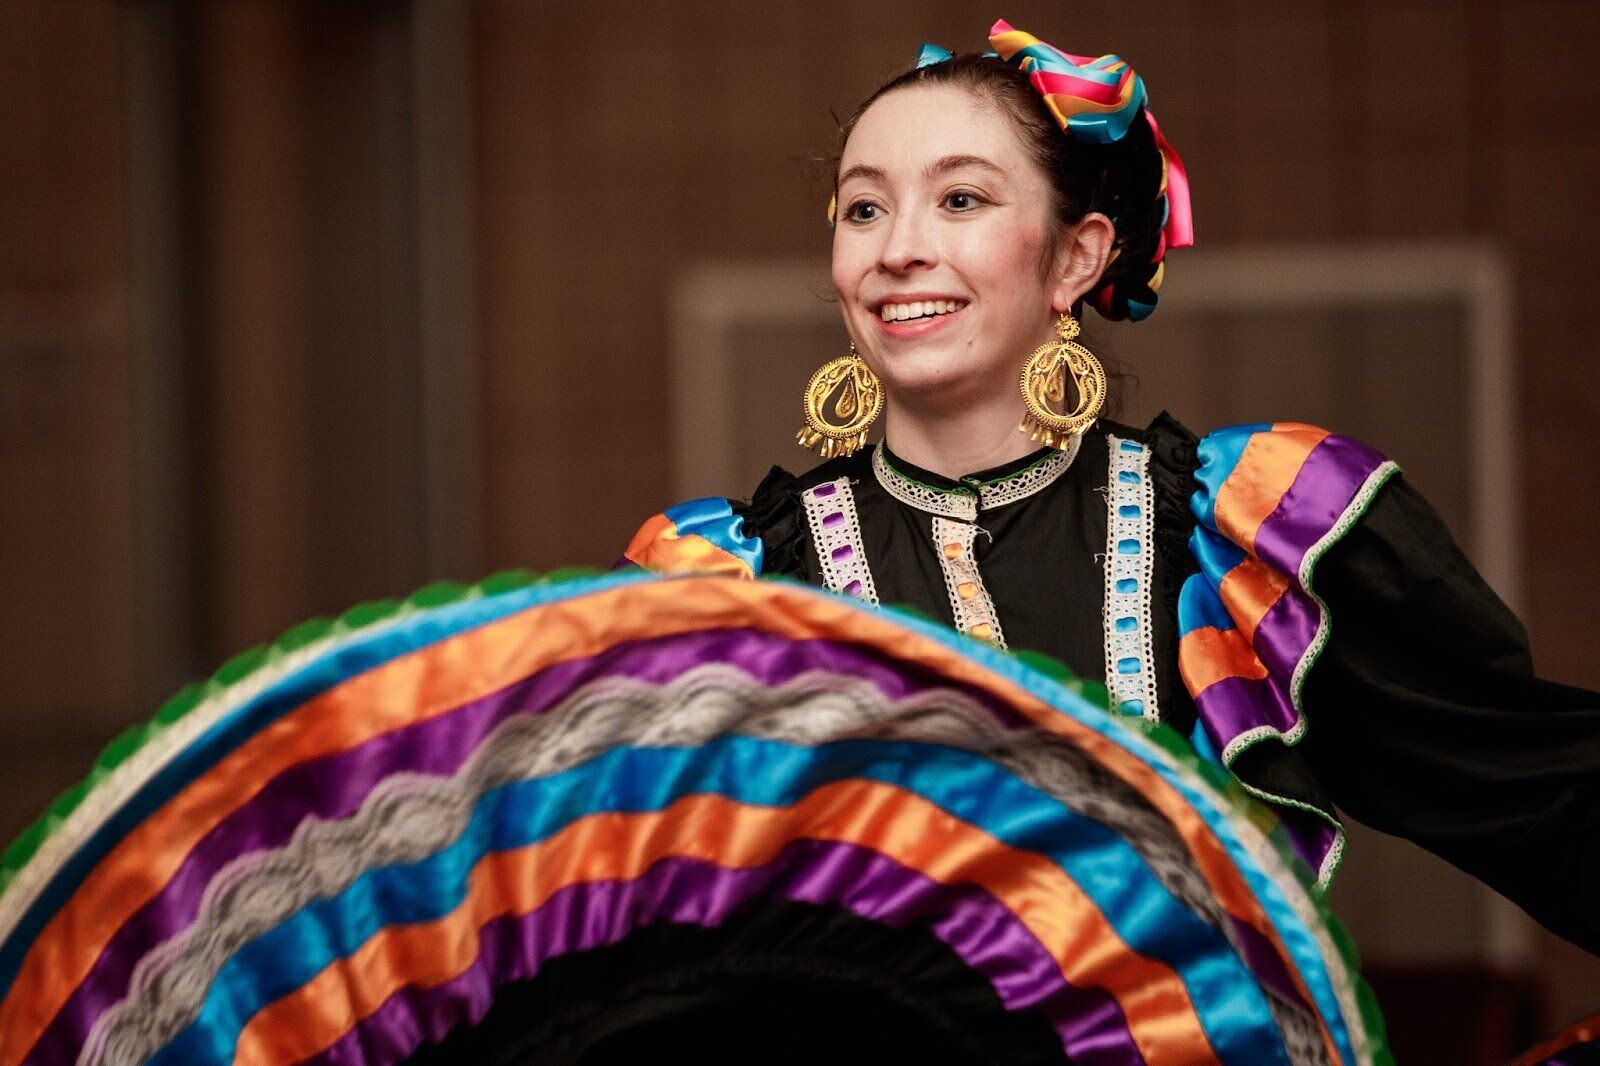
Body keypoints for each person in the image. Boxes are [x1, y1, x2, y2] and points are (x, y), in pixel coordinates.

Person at [626, 20, 1600, 957]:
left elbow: (1541, 793)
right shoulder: (734, 589)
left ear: (1077, 256)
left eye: (960, 200)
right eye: (864, 206)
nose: (896, 250)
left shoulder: (1234, 544)